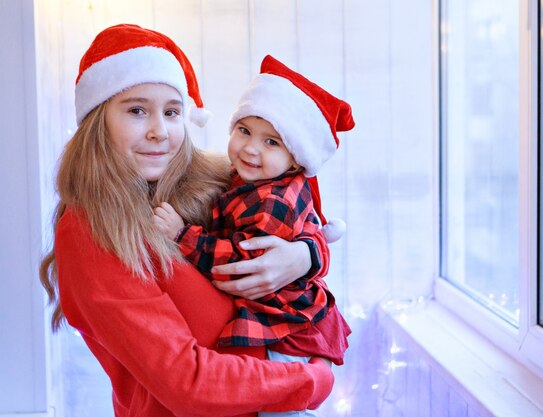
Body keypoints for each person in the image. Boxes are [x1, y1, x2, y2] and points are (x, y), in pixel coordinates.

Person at [38, 24, 334, 417]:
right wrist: (312, 380)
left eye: (172, 112)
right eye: (137, 110)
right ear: (97, 120)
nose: (160, 131)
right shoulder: (89, 232)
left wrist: (305, 256)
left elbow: (299, 216)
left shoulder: (216, 182)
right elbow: (188, 382)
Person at [153, 55, 353, 417]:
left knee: (280, 401)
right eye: (244, 131)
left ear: (295, 159)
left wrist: (183, 235)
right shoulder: (253, 180)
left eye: (272, 142)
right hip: (285, 320)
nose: (250, 148)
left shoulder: (271, 202)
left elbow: (241, 263)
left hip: (283, 329)